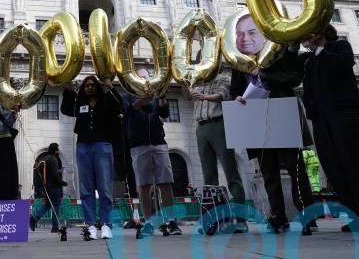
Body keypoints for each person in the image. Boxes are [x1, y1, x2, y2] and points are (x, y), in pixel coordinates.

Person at [286, 25, 359, 232]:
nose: (308, 35)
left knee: (356, 163)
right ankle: (355, 216)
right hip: (321, 119)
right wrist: (293, 48)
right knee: (334, 167)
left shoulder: (340, 46)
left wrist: (318, 50)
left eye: (312, 30)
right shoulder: (308, 60)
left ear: (324, 31)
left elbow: (344, 64)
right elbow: (289, 69)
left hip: (344, 113)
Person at [231, 31, 316, 234]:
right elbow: (235, 90)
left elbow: (295, 77)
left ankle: (306, 214)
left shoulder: (279, 53)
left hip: (282, 111)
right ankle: (278, 216)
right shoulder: (240, 62)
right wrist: (237, 98)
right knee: (268, 171)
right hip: (255, 117)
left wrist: (265, 74)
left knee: (296, 168)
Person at [185, 66, 248, 233]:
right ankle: (212, 220)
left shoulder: (225, 75)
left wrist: (204, 96)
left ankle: (241, 220)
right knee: (209, 176)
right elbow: (188, 97)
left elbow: (223, 94)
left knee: (231, 172)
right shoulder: (199, 78)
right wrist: (184, 81)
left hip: (219, 123)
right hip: (201, 126)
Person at [61, 75, 122, 240]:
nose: (89, 87)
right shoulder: (79, 103)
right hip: (83, 146)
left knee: (104, 187)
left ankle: (106, 224)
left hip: (103, 145)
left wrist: (110, 87)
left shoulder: (106, 101)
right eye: (86, 85)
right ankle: (90, 224)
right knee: (86, 188)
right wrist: (67, 90)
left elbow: (119, 107)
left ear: (97, 87)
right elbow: (66, 109)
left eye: (92, 85)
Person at [121, 67, 181, 237]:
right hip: (138, 145)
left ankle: (171, 220)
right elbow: (126, 113)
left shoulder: (155, 96)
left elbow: (164, 113)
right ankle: (148, 221)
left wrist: (162, 99)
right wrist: (140, 101)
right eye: (141, 78)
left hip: (158, 142)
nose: (145, 81)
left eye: (147, 78)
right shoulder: (126, 97)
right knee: (144, 185)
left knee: (165, 182)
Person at [30, 143, 68, 233]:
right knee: (56, 205)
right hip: (54, 187)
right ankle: (55, 227)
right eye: (57, 149)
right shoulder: (53, 159)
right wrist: (63, 182)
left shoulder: (45, 159)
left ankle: (34, 218)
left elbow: (50, 173)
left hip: (46, 186)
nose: (58, 151)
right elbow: (54, 174)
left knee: (47, 205)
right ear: (55, 150)